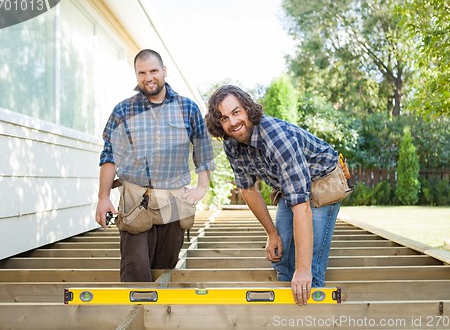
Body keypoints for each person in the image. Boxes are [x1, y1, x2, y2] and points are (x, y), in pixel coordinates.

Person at [205, 85, 341, 305]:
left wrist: (303, 270)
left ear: (248, 109)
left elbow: (301, 207)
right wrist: (271, 233)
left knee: (309, 266)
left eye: (236, 112)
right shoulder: (231, 143)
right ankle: (287, 312)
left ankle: (311, 305)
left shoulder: (276, 138)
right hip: (291, 185)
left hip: (323, 180)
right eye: (224, 118)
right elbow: (248, 189)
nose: (232, 122)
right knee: (284, 255)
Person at [95, 49, 215, 282]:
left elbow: (203, 150)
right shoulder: (124, 110)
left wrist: (202, 187)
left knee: (165, 269)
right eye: (142, 72)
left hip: (174, 202)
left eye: (153, 71)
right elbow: (109, 155)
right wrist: (103, 198)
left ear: (164, 71)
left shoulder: (187, 108)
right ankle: (136, 312)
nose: (148, 77)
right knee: (136, 270)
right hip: (135, 202)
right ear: (136, 75)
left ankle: (157, 317)